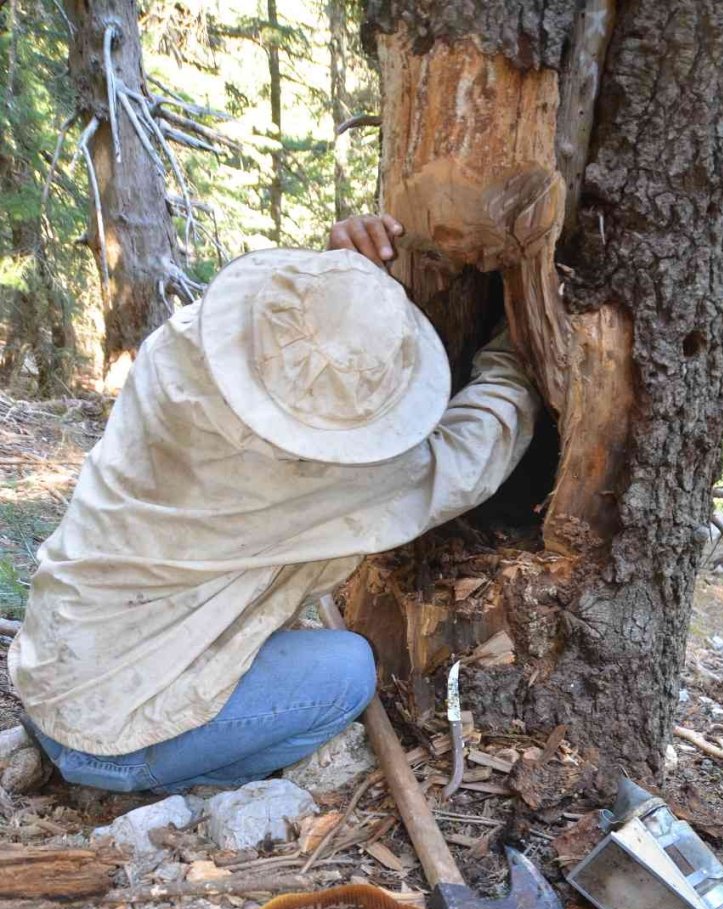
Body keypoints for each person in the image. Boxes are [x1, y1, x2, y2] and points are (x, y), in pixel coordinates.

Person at [9, 214, 539, 793]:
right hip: (115, 738)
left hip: (51, 670)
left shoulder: (175, 350)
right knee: (346, 671)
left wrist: (334, 286)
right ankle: (161, 781)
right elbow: (468, 455)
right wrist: (517, 351)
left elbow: (294, 337)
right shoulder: (317, 477)